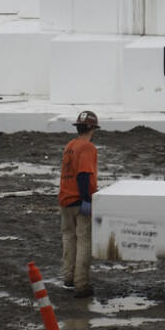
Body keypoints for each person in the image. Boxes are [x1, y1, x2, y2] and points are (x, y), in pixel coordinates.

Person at [58, 110, 100, 298]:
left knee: (68, 237)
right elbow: (84, 175)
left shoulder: (70, 145)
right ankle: (81, 284)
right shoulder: (87, 148)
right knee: (84, 240)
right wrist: (87, 200)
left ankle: (68, 277)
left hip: (65, 199)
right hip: (79, 199)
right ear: (92, 128)